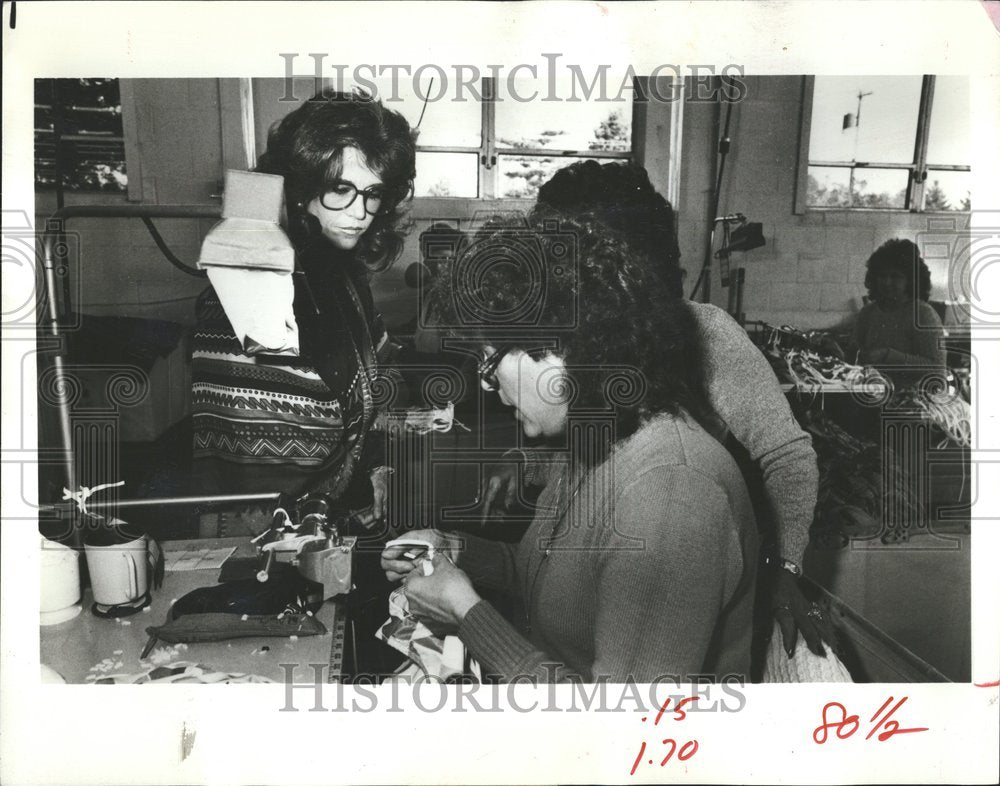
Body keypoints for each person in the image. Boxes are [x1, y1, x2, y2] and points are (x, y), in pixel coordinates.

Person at [381, 212, 759, 682]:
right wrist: (456, 552)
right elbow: (558, 585)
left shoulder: (671, 491)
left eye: (491, 360)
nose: (487, 384)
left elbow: (622, 726)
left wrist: (467, 614)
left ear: (566, 348)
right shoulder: (591, 443)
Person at [478, 160, 830, 660]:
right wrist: (527, 462)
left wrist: (784, 568)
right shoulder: (583, 351)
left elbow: (789, 459)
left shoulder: (704, 334)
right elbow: (596, 438)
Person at [191, 89, 416, 523]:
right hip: (259, 526)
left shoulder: (344, 276)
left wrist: (376, 468)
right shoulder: (250, 283)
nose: (361, 212)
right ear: (301, 188)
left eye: (373, 193)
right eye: (340, 189)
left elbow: (381, 377)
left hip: (333, 517)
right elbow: (261, 455)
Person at [852, 238, 946, 380]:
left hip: (915, 398)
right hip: (874, 394)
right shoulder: (868, 313)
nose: (887, 282)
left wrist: (888, 355)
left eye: (895, 277)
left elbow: (937, 369)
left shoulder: (922, 314)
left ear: (911, 280)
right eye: (882, 276)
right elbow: (853, 360)